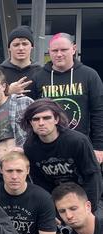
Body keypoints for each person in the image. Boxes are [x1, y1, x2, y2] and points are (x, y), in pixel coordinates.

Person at [29, 33, 103, 161]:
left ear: (74, 49)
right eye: (54, 50)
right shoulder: (38, 77)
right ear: (49, 52)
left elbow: (99, 112)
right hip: (47, 147)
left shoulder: (89, 75)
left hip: (81, 146)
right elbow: (30, 115)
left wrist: (99, 147)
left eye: (64, 50)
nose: (59, 54)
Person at [22, 99, 102, 213]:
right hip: (56, 201)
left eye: (46, 118)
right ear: (30, 122)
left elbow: (93, 177)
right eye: (35, 119)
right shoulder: (30, 147)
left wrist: (88, 209)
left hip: (85, 197)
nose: (41, 123)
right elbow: (40, 183)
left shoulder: (77, 141)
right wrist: (50, 210)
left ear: (56, 119)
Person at [0, 25, 41, 96]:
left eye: (25, 44)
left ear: (32, 46)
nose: (21, 48)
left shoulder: (41, 72)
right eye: (16, 45)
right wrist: (8, 92)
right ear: (9, 48)